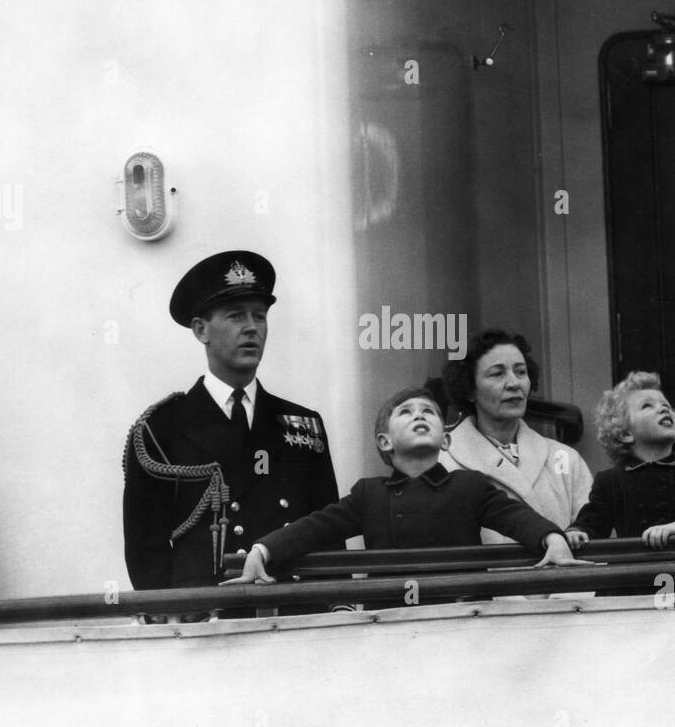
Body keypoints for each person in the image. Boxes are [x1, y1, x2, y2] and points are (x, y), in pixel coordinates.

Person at [122, 250, 339, 590]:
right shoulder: (159, 430)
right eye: (236, 316)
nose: (252, 328)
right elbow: (145, 548)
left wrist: (334, 607)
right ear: (200, 330)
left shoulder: (301, 423)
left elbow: (328, 533)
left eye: (260, 316)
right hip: (206, 616)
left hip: (294, 610)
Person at [226, 386, 576, 583]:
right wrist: (263, 550)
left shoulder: (470, 486)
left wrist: (551, 537)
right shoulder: (369, 494)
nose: (420, 415)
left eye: (429, 412)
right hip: (392, 620)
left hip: (463, 618)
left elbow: (515, 516)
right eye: (406, 412)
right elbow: (317, 526)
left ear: (446, 442)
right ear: (384, 442)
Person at [438, 329, 593, 540]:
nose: (514, 383)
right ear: (469, 389)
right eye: (497, 373)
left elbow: (592, 534)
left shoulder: (566, 459)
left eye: (521, 372)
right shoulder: (443, 460)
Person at [566, 372, 675, 548]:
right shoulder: (610, 481)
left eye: (667, 406)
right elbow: (593, 521)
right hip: (635, 567)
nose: (664, 409)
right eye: (647, 406)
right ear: (625, 433)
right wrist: (577, 532)